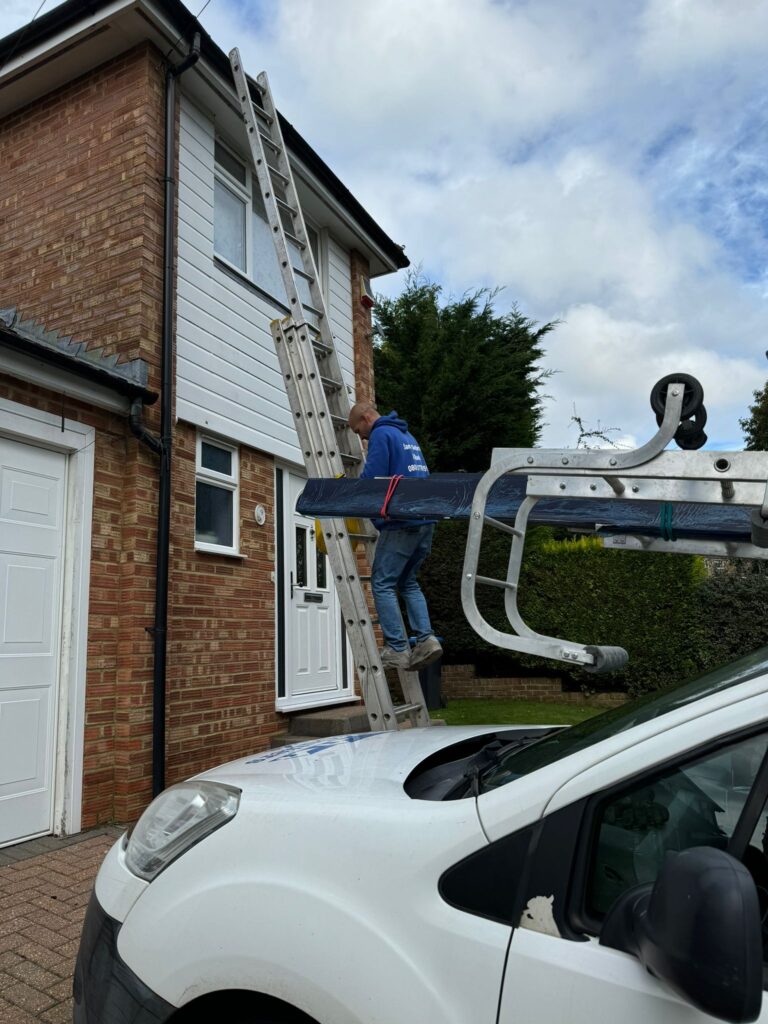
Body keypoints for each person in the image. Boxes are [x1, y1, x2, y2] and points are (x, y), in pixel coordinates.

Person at [348, 402, 442, 672]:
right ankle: (426, 639)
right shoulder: (405, 435)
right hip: (425, 520)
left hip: (402, 521)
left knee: (382, 583)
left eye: (359, 431)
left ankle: (397, 649)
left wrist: (349, 492)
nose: (361, 438)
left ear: (367, 418)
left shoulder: (381, 434)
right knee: (408, 582)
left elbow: (372, 478)